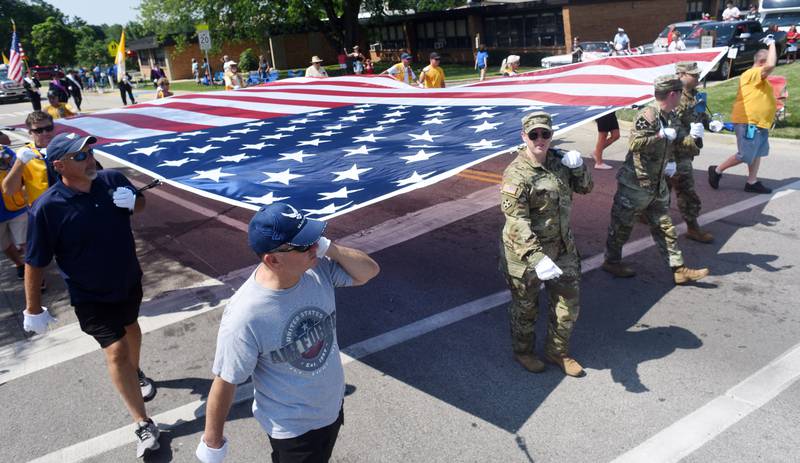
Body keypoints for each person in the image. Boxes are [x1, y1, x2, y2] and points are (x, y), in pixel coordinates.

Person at [195, 203, 380, 463]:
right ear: (273, 259)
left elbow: (369, 272)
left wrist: (330, 248)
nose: (314, 248)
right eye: (304, 245)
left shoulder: (316, 268)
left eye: (314, 239)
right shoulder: (245, 316)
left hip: (331, 408)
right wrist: (213, 444)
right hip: (294, 431)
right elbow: (226, 381)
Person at [23, 131, 160, 458]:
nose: (90, 160)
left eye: (89, 152)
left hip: (128, 280)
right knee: (115, 351)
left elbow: (140, 204)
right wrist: (33, 308)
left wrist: (135, 202)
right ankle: (142, 422)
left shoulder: (112, 179)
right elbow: (35, 261)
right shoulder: (47, 208)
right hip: (89, 295)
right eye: (80, 156)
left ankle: (135, 371)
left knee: (132, 329)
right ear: (59, 165)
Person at [499, 111, 592, 378]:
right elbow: (516, 220)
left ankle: (557, 351)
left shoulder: (560, 162)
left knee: (568, 302)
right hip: (526, 254)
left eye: (545, 134)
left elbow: (586, 188)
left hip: (562, 247)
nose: (540, 139)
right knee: (525, 306)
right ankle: (523, 351)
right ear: (524, 137)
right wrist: (536, 257)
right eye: (534, 134)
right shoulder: (516, 173)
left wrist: (579, 168)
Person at [603, 75, 709, 284]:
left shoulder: (671, 116)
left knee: (664, 226)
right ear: (673, 94)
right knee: (621, 226)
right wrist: (660, 136)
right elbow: (635, 144)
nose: (681, 97)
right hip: (635, 184)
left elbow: (679, 141)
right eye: (679, 94)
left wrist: (695, 138)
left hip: (657, 183)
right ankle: (611, 261)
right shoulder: (648, 115)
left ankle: (678, 269)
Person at [708, 41, 778, 194]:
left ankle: (751, 182)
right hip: (749, 122)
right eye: (768, 61)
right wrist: (772, 44)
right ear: (761, 62)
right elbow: (771, 64)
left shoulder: (760, 79)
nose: (771, 68)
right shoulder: (751, 73)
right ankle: (717, 170)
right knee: (745, 155)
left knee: (757, 153)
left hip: (760, 123)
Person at [670, 61, 714, 243]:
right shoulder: (674, 97)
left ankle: (643, 212)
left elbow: (701, 115)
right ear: (680, 75)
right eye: (693, 75)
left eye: (697, 74)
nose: (697, 77)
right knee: (686, 190)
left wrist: (710, 123)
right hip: (675, 152)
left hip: (688, 150)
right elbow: (672, 127)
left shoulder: (696, 95)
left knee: (661, 187)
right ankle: (692, 227)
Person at [2, 111, 56, 209]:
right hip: (40, 212)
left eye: (49, 128)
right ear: (30, 133)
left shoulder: (67, 147)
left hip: (71, 209)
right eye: (39, 130)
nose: (45, 133)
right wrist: (20, 162)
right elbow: (9, 190)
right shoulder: (23, 154)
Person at [0, 146, 28, 281]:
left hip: (16, 206)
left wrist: (9, 161)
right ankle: (19, 263)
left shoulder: (4, 150)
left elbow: (20, 169)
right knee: (5, 245)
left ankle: (34, 274)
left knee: (25, 243)